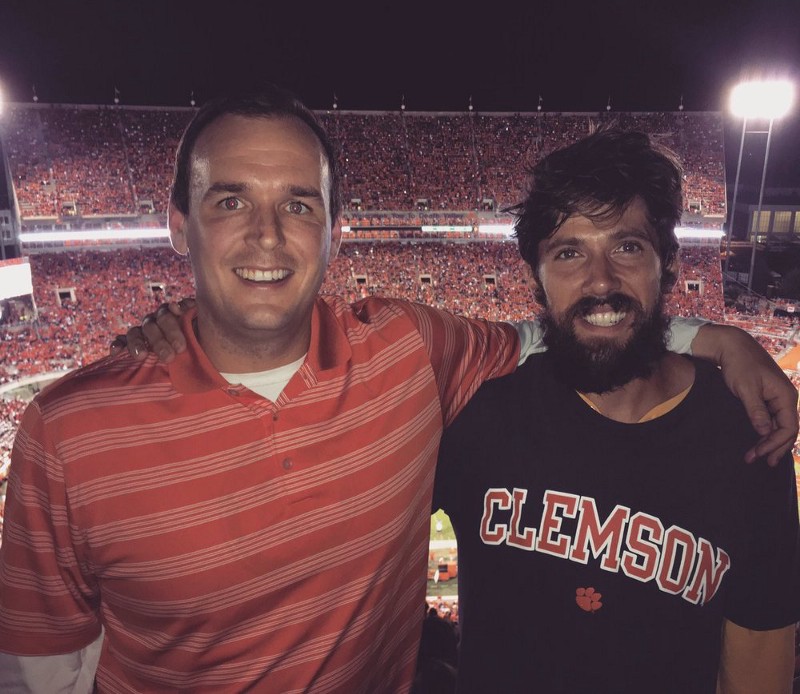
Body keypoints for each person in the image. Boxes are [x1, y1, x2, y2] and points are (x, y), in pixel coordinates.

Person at [0, 88, 795, 693]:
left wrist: (722, 336)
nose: (268, 235)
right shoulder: (68, 430)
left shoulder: (411, 354)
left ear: (335, 231)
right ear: (179, 227)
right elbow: (40, 673)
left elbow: (574, 327)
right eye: (231, 200)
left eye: (299, 204)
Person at [433, 129, 800, 693]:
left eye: (627, 247)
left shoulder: (746, 430)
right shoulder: (476, 410)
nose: (600, 281)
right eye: (569, 252)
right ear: (537, 278)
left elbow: (758, 652)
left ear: (668, 263)